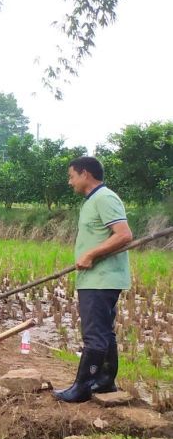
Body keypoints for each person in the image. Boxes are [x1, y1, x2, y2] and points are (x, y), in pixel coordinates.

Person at [55, 156, 133, 403]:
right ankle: (105, 380)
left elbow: (124, 235)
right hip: (96, 278)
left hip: (101, 279)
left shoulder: (104, 198)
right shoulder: (93, 201)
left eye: (72, 176)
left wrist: (90, 254)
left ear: (85, 174)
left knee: (94, 335)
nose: (70, 182)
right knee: (104, 332)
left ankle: (82, 387)